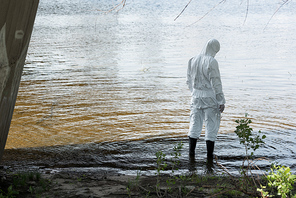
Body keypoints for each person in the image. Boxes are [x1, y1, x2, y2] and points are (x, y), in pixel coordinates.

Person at [186, 39, 225, 160]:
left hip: (196, 97)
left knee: (194, 124)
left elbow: (188, 80)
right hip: (210, 98)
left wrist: (194, 93)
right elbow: (216, 83)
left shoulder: (192, 60)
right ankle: (209, 157)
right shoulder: (211, 61)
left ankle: (191, 154)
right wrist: (221, 100)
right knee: (211, 126)